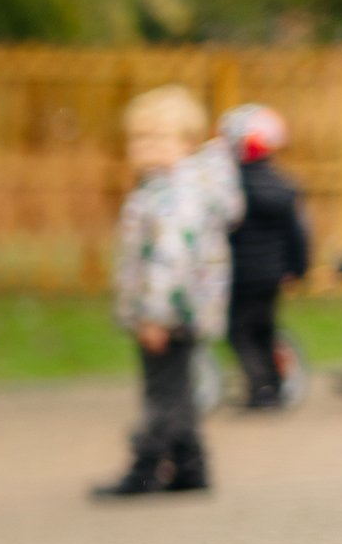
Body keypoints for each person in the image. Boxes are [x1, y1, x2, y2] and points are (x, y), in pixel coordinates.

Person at [94, 85, 241, 498]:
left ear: (189, 142)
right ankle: (191, 466)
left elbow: (170, 259)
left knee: (162, 394)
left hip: (172, 311)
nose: (146, 148)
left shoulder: (176, 195)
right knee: (177, 390)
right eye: (139, 139)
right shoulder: (166, 188)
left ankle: (146, 468)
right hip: (180, 310)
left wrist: (156, 314)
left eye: (158, 139)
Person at [217, 104, 310, 409]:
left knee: (238, 331)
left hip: (240, 275)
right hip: (272, 275)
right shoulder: (284, 186)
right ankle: (276, 386)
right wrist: (297, 268)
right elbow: (298, 234)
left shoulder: (230, 189)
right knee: (265, 330)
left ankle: (260, 389)